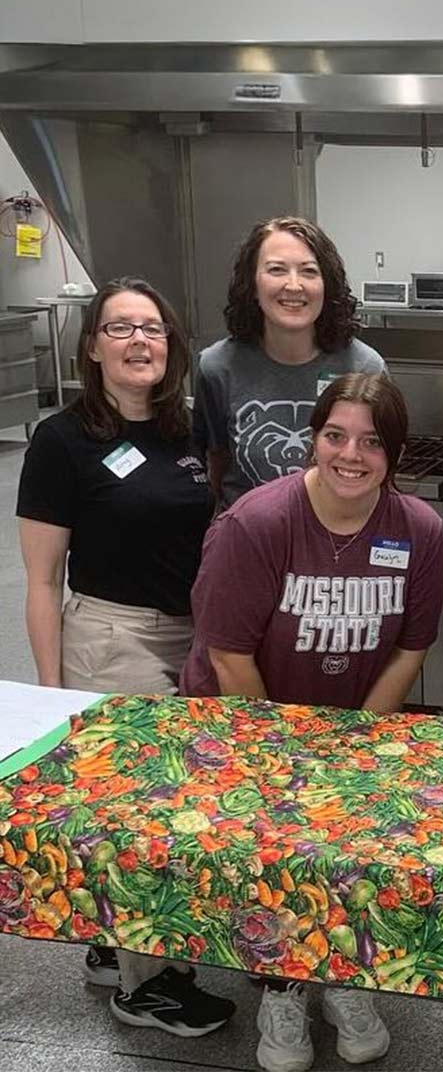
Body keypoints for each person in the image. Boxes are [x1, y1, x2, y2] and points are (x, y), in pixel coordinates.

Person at [181, 372, 443, 1072]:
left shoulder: (418, 530)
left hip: (350, 723)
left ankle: (342, 975)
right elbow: (228, 654)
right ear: (314, 439)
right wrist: (284, 759)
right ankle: (283, 987)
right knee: (274, 853)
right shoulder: (258, 524)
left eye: (371, 442)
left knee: (352, 852)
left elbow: (411, 647)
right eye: (335, 436)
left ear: (394, 454)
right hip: (247, 717)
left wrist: (355, 744)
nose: (351, 455)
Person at [16, 277, 234, 1036]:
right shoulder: (62, 441)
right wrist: (52, 695)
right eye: (120, 328)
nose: (140, 340)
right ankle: (148, 987)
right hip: (112, 637)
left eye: (153, 328)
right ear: (92, 347)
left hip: (192, 634)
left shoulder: (185, 428)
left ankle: (116, 944)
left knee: (177, 796)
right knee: (147, 807)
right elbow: (42, 580)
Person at [193, 216, 385, 508]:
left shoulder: (364, 368)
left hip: (340, 530)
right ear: (252, 284)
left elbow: (379, 467)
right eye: (276, 270)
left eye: (309, 271)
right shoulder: (217, 368)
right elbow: (216, 462)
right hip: (248, 530)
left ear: (327, 285)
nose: (294, 285)